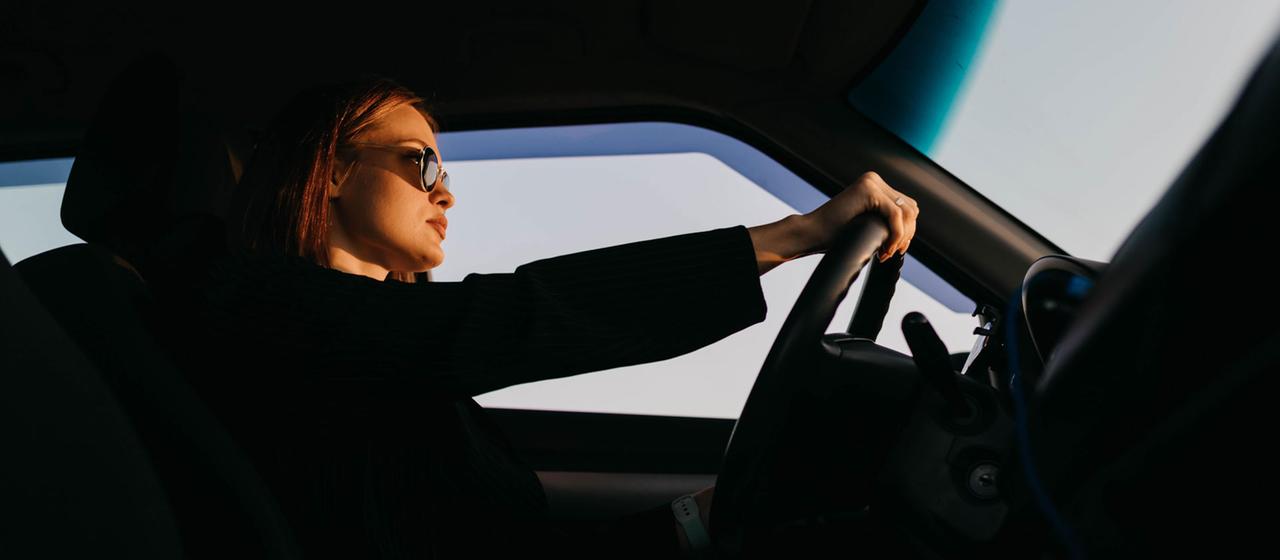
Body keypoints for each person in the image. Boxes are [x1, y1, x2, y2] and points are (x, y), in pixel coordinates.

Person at [162, 74, 919, 559]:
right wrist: (795, 236)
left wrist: (698, 518)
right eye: (421, 163)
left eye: (445, 173)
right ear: (330, 169)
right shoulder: (259, 308)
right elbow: (514, 316)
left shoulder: (386, 353)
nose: (446, 193)